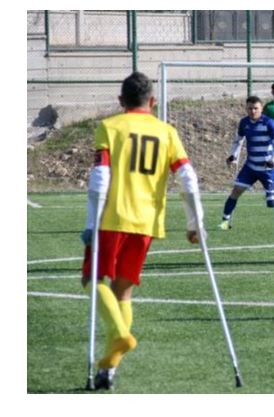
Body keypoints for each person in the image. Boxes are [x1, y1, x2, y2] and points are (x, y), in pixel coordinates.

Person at [79, 72, 204, 389]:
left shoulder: (110, 127)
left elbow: (100, 178)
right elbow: (188, 178)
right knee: (124, 291)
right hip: (147, 223)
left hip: (112, 218)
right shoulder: (167, 132)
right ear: (152, 101)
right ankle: (109, 368)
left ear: (121, 102)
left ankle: (120, 336)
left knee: (92, 279)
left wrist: (91, 223)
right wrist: (194, 222)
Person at [217, 96, 274, 230]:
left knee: (271, 204)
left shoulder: (269, 123)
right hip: (250, 167)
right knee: (235, 192)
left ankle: (271, 191)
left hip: (267, 169)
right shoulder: (244, 122)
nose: (253, 111)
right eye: (250, 108)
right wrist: (233, 156)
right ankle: (224, 222)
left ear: (261, 109)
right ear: (246, 109)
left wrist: (272, 161)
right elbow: (238, 141)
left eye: (256, 108)